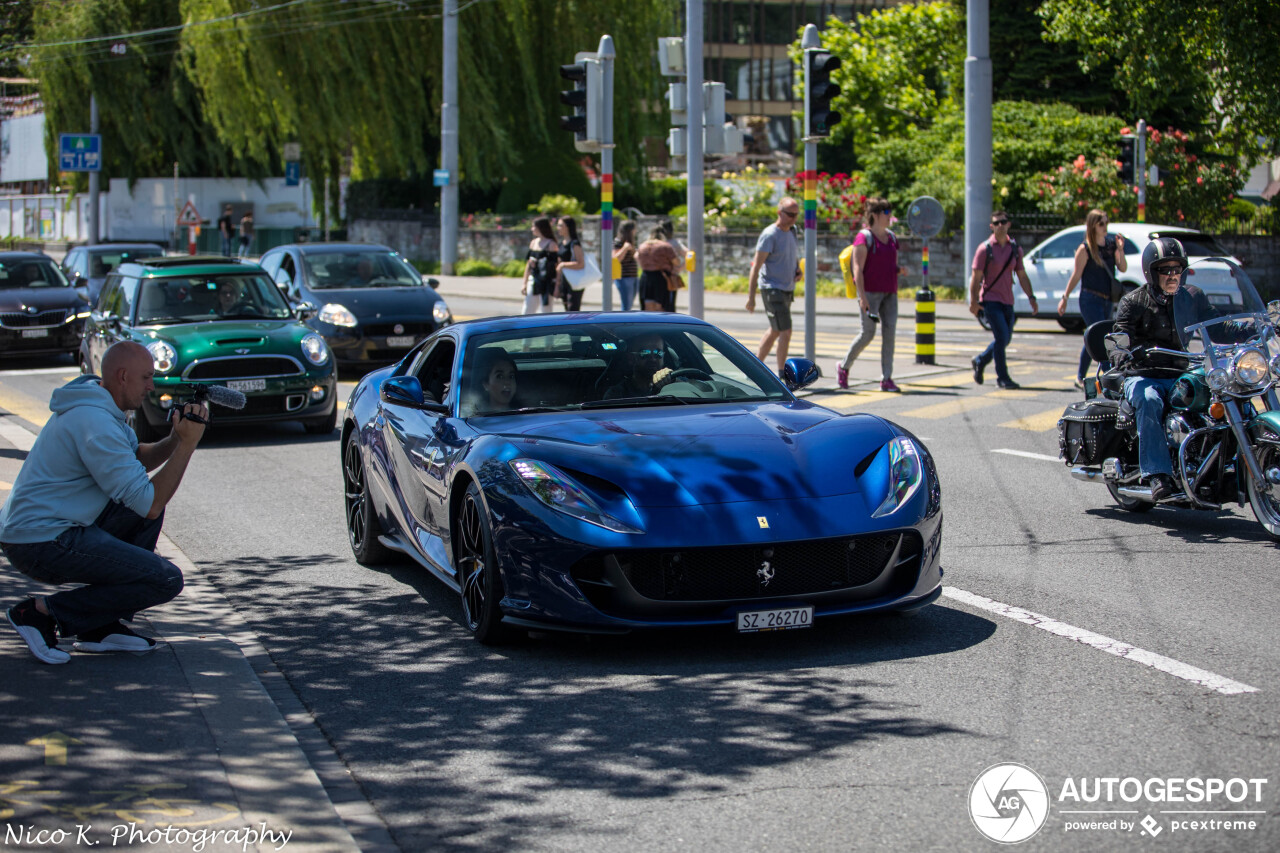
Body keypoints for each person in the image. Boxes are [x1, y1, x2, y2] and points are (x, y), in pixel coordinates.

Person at [0, 341, 209, 664]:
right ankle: (39, 613)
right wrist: (187, 447)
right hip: (41, 542)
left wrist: (175, 438)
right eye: (146, 378)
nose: (151, 386)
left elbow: (137, 458)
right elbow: (150, 501)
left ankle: (96, 626)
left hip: (55, 528)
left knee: (144, 515)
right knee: (165, 578)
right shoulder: (94, 423)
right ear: (123, 376)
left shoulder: (99, 405)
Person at [1111, 237, 1193, 502]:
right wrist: (1120, 354)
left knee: (1218, 390)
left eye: (1177, 269)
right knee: (1149, 399)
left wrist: (1258, 327)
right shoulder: (1133, 302)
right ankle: (1158, 473)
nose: (1172, 275)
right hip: (1143, 375)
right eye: (1165, 269)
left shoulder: (1190, 299)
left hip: (1179, 374)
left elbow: (1218, 323)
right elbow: (1119, 336)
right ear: (1150, 271)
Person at [836, 198, 908, 391]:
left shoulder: (892, 237)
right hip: (870, 293)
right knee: (867, 333)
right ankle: (844, 366)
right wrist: (862, 297)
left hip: (890, 293)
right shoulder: (864, 238)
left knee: (889, 334)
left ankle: (887, 378)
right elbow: (857, 269)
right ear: (875, 215)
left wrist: (899, 270)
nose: (889, 216)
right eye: (886, 213)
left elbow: (890, 264)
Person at [1058, 208, 1129, 387]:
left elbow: (1122, 268)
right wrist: (1065, 297)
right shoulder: (1085, 249)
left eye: (1106, 222)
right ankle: (1111, 376)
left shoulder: (1111, 245)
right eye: (1101, 223)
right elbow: (1076, 275)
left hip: (1106, 300)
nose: (1105, 227)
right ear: (1093, 226)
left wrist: (1120, 249)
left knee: (1092, 337)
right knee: (1100, 337)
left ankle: (1080, 377)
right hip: (1089, 299)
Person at [969, 210, 1038, 390]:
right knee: (1001, 337)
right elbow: (975, 278)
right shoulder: (985, 249)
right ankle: (1003, 377)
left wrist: (1031, 297)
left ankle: (980, 360)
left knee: (1004, 339)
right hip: (991, 300)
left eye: (1003, 222)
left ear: (1009, 224)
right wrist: (973, 302)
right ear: (991, 226)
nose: (1000, 225)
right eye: (996, 223)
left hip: (1008, 300)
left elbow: (1022, 276)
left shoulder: (1015, 249)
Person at [746, 197, 801, 374]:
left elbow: (793, 255)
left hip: (787, 288)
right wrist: (751, 297)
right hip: (772, 288)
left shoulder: (792, 231)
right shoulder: (769, 235)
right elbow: (756, 266)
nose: (794, 218)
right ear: (779, 213)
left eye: (796, 215)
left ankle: (753, 368)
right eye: (790, 215)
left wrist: (797, 269)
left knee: (775, 330)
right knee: (786, 330)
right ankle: (781, 374)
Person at [604, 332, 670, 399]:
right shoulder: (617, 394)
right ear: (631, 358)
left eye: (658, 353)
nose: (653, 359)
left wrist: (671, 378)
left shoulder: (671, 387)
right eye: (644, 353)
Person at [636, 228, 681, 312]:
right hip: (661, 277)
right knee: (662, 307)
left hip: (645, 277)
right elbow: (676, 262)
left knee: (647, 306)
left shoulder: (642, 246)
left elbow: (637, 257)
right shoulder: (665, 246)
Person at [521, 217, 558, 315]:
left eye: (534, 226)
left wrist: (557, 285)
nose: (532, 229)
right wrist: (524, 283)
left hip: (547, 282)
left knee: (546, 311)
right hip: (534, 280)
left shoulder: (551, 244)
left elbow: (555, 266)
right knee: (527, 310)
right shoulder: (533, 243)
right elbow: (528, 264)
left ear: (540, 228)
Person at [554, 216, 586, 312]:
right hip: (564, 280)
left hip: (574, 281)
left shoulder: (574, 243)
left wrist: (564, 265)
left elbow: (581, 263)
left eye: (560, 225)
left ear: (567, 227)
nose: (558, 228)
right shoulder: (561, 244)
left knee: (573, 310)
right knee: (566, 309)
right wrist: (557, 285)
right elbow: (558, 266)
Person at [612, 221, 639, 311]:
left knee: (630, 303)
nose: (636, 231)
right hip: (624, 277)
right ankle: (624, 322)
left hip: (633, 276)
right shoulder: (618, 242)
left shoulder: (631, 242)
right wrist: (625, 248)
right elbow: (616, 259)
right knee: (626, 304)